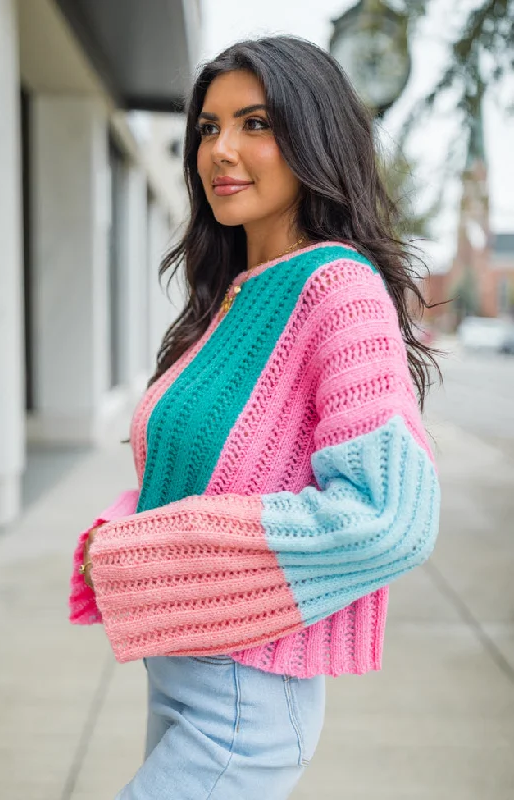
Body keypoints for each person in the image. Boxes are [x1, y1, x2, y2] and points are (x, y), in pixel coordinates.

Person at [69, 35, 441, 800]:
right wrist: (117, 533)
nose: (221, 150)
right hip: (184, 664)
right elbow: (201, 467)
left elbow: (390, 515)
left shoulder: (337, 290)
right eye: (207, 127)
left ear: (313, 137)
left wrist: (155, 548)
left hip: (244, 696)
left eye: (256, 123)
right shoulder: (237, 295)